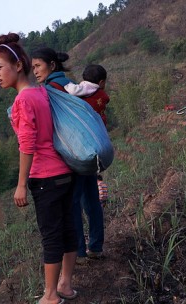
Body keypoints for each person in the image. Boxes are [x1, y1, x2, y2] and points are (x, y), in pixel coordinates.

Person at [0, 34, 78, 303]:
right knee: (69, 228)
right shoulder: (42, 91)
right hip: (64, 171)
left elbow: (27, 145)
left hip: (45, 178)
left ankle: (50, 295)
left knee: (51, 235)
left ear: (18, 65)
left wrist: (20, 184)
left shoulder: (23, 100)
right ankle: (65, 285)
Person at [64, 64, 110, 259]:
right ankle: (96, 247)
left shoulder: (70, 94)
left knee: (75, 203)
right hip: (94, 153)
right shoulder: (100, 96)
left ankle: (80, 252)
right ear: (101, 83)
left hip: (77, 154)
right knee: (92, 201)